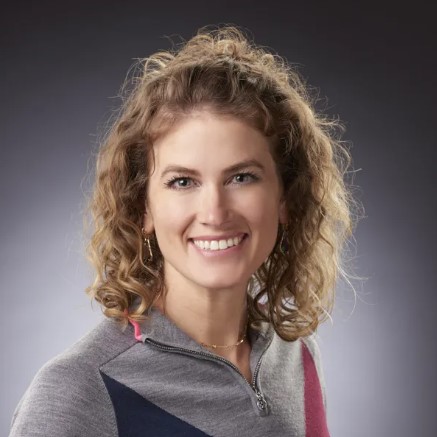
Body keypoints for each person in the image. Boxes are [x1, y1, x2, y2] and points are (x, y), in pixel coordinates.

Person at [10, 26, 354, 437]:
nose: (214, 212)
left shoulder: (297, 357)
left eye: (241, 177)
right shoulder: (78, 392)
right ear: (143, 208)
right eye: (182, 182)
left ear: (284, 198)